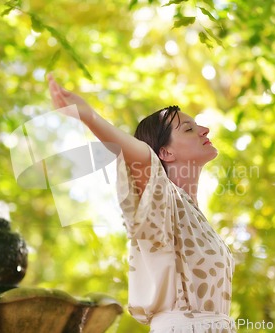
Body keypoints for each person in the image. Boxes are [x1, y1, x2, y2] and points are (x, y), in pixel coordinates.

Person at [48, 74, 235, 333]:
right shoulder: (163, 201)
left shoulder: (193, 214)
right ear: (165, 153)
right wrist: (88, 116)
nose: (205, 130)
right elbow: (143, 160)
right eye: (189, 129)